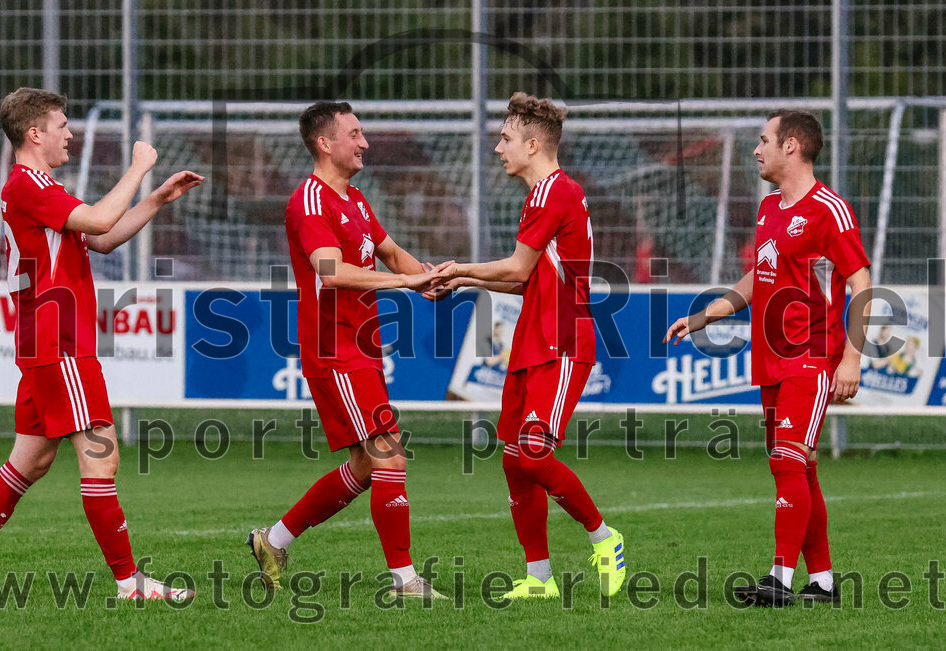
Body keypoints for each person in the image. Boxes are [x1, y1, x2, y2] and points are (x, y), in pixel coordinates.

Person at [0, 88, 203, 600]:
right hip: (59, 343)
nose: (70, 133)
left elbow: (99, 238)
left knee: (29, 461)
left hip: (46, 342)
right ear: (35, 133)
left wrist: (157, 197)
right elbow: (100, 220)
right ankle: (129, 583)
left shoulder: (37, 187)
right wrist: (139, 165)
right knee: (101, 458)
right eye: (61, 125)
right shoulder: (29, 186)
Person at [664, 110, 871, 607]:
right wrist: (708, 314)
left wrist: (853, 360)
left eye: (764, 141)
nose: (756, 150)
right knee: (800, 467)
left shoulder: (829, 210)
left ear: (793, 146)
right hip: (771, 360)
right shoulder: (769, 209)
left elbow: (862, 284)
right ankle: (821, 582)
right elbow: (759, 277)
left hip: (812, 356)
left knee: (787, 460)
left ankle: (777, 580)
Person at [246, 101, 447, 599]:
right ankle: (405, 580)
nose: (365, 143)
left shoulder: (354, 199)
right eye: (355, 134)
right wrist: (406, 280)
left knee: (366, 463)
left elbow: (390, 250)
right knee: (389, 455)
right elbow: (331, 272)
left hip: (362, 349)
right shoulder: (309, 202)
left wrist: (431, 276)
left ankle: (273, 540)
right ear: (325, 143)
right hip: (335, 351)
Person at [433, 92, 626, 600]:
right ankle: (539, 578)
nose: (498, 148)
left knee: (536, 455)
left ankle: (604, 538)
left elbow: (517, 268)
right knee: (515, 459)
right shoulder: (546, 195)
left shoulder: (552, 193)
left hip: (562, 341)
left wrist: (459, 268)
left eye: (505, 139)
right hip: (533, 340)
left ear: (533, 144)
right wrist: (464, 282)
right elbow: (524, 282)